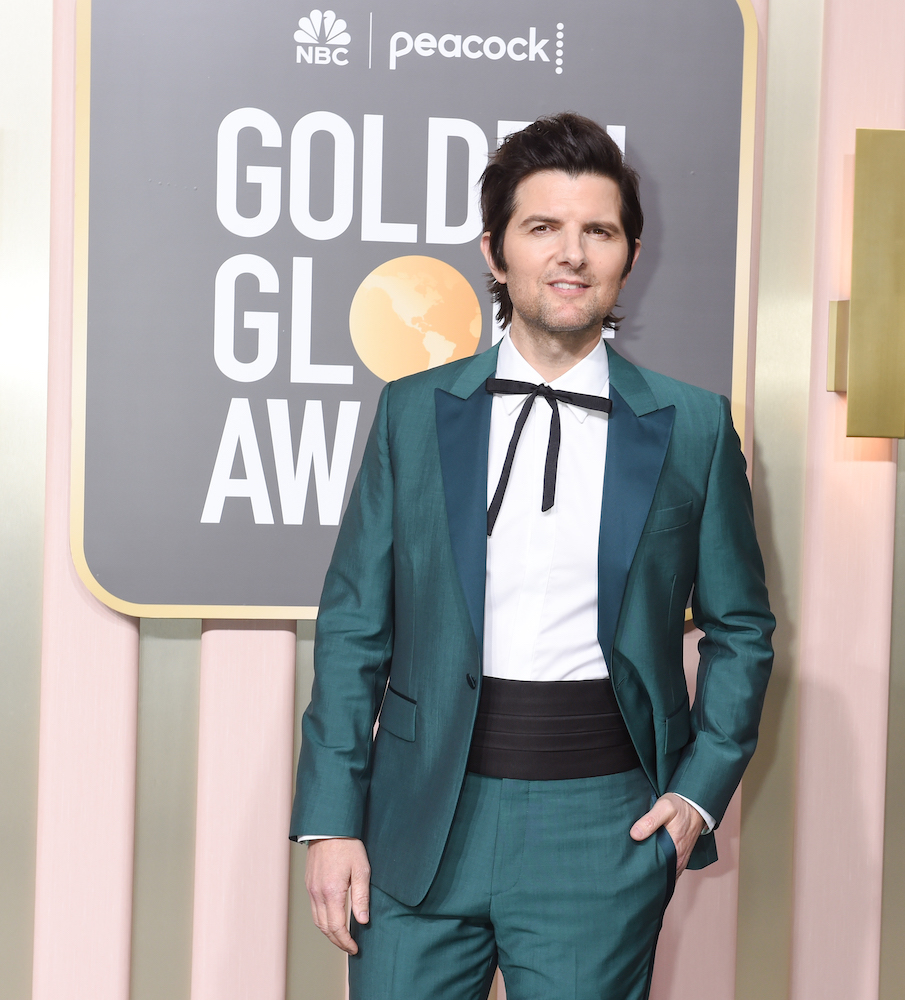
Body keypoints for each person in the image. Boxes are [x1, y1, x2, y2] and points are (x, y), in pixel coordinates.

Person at [290, 112, 774, 1000]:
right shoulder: (411, 411)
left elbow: (742, 627)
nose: (571, 254)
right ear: (495, 249)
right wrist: (330, 820)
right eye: (542, 227)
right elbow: (354, 623)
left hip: (603, 829)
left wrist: (697, 794)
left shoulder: (693, 426)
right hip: (418, 821)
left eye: (598, 231)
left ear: (630, 252)